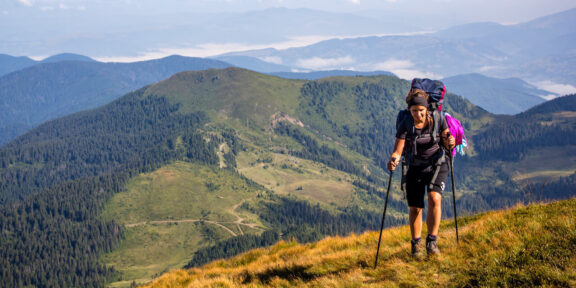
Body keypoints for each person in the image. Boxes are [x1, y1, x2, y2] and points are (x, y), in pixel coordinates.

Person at [387, 88, 455, 258]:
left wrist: (450, 141)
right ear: (409, 111)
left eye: (421, 111)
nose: (418, 115)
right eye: (414, 111)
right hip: (414, 167)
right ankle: (416, 245)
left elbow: (447, 142)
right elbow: (398, 150)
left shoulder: (439, 119)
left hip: (437, 164)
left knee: (434, 197)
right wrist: (394, 159)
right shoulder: (405, 124)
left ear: (427, 110)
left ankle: (432, 243)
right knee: (415, 207)